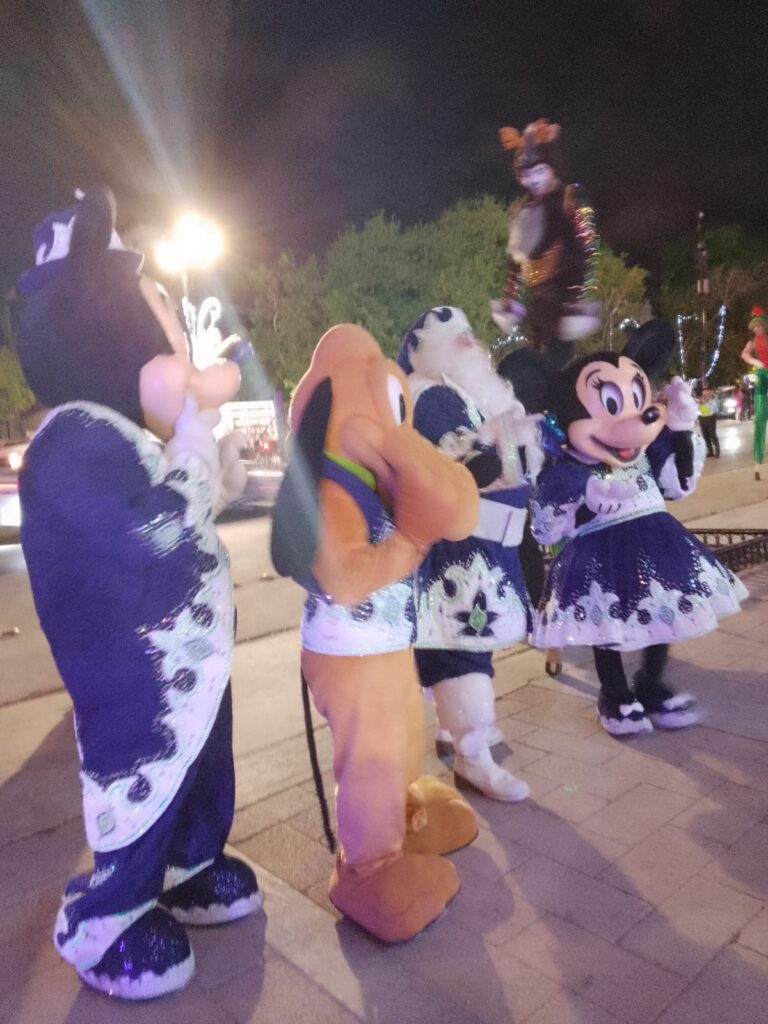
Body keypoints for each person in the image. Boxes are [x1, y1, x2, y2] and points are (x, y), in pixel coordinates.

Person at [16, 189, 260, 999]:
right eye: (165, 345)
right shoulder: (71, 441)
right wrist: (191, 449)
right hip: (135, 680)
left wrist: (207, 465)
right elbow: (153, 529)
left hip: (189, 663)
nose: (184, 369)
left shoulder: (121, 433)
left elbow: (186, 511)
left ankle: (191, 865)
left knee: (200, 771)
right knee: (143, 783)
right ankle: (107, 919)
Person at [270, 324, 479, 943]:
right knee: (370, 757)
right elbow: (345, 577)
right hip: (352, 653)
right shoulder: (333, 488)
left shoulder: (363, 480)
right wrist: (410, 541)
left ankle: (405, 817)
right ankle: (367, 871)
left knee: (402, 734)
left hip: (384, 645)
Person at [500, 320, 746, 737]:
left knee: (662, 614)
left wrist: (680, 430)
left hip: (656, 543)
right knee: (607, 624)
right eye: (612, 405)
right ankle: (614, 693)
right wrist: (585, 499)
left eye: (635, 399)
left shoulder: (646, 451)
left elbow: (678, 484)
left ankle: (650, 682)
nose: (636, 418)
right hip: (599, 554)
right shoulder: (568, 467)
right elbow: (546, 523)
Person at [397, 306, 542, 801]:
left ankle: (456, 733)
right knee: (461, 651)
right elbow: (475, 469)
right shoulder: (432, 395)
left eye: (467, 332)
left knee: (463, 649)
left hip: (478, 549)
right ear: (420, 348)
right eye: (452, 333)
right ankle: (472, 755)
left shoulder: (458, 394)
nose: (467, 340)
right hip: (457, 555)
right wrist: (506, 441)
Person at [490, 118, 601, 371]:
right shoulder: (523, 209)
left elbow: (584, 251)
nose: (533, 180)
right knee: (534, 364)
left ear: (552, 169)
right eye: (527, 175)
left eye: (539, 171)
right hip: (535, 301)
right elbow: (515, 259)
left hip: (563, 298)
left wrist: (576, 298)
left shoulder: (569, 199)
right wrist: (508, 296)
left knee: (556, 365)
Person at [741, 306, 768, 480]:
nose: (758, 328)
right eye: (756, 326)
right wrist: (755, 362)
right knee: (759, 416)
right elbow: (744, 354)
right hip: (760, 375)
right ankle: (758, 461)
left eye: (761, 325)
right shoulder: (752, 342)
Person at [697, 384, 720, 457]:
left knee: (712, 435)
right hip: (702, 418)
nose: (704, 392)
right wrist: (700, 404)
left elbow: (712, 408)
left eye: (706, 390)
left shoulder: (714, 398)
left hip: (710, 417)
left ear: (710, 391)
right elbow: (698, 408)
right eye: (704, 390)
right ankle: (710, 451)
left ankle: (717, 450)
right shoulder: (701, 398)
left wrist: (704, 403)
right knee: (705, 435)